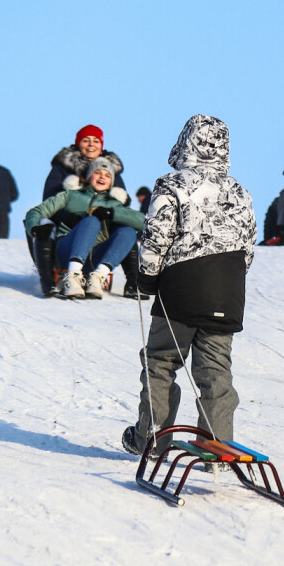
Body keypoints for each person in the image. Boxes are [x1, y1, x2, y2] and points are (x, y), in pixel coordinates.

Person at [121, 115, 257, 456]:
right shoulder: (240, 192)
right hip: (227, 289)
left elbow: (157, 234)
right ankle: (219, 446)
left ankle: (152, 438)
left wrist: (148, 277)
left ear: (185, 143)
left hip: (181, 287)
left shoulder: (173, 185)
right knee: (215, 370)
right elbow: (248, 243)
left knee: (161, 361)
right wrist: (228, 281)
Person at [23, 159, 144, 298]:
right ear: (89, 177)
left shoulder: (114, 205)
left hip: (94, 257)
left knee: (127, 231)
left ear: (111, 183)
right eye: (97, 173)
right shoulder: (70, 195)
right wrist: (35, 229)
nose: (102, 177)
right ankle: (72, 276)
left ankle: (98, 277)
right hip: (66, 252)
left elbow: (144, 222)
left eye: (107, 175)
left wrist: (112, 213)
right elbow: (35, 212)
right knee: (91, 221)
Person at [45, 124, 141, 296]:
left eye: (96, 141)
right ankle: (53, 278)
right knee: (51, 225)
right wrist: (67, 217)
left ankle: (131, 281)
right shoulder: (63, 168)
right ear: (77, 144)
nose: (91, 145)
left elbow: (122, 205)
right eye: (86, 140)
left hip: (100, 232)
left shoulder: (110, 169)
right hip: (69, 228)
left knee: (125, 228)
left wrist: (112, 214)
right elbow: (50, 199)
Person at [0, 163, 18, 239]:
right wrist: (4, 200)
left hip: (3, 208)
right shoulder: (5, 172)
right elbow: (14, 194)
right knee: (1, 242)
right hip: (3, 210)